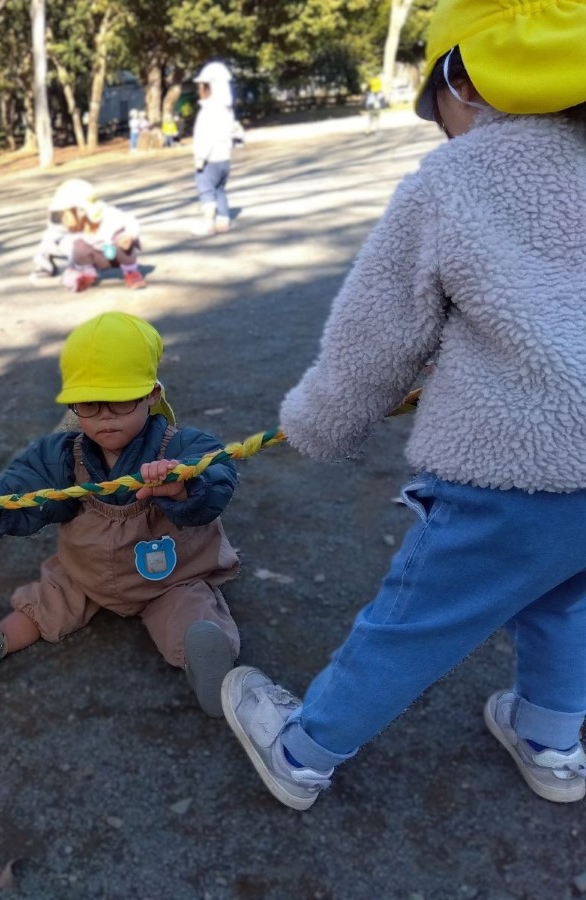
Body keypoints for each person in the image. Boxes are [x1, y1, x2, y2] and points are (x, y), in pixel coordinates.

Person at [221, 0, 586, 810]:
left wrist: (319, 421)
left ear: (464, 79)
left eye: (437, 108)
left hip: (512, 470)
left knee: (417, 620)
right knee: (565, 596)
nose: (440, 129)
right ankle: (552, 740)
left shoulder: (454, 183)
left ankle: (302, 750)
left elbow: (377, 338)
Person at [0, 312, 241, 717]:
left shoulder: (182, 445)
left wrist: (183, 484)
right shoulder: (65, 453)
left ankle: (209, 669)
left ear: (153, 394)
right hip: (87, 573)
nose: (104, 416)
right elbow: (27, 482)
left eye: (119, 401)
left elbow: (219, 471)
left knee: (191, 615)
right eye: (89, 403)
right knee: (46, 601)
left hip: (170, 579)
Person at [37, 178, 146, 292]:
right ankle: (88, 274)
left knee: (120, 238)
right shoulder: (72, 228)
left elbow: (130, 220)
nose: (62, 220)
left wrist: (129, 235)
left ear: (80, 211)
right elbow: (51, 241)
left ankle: (131, 272)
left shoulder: (108, 215)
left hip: (116, 255)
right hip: (97, 259)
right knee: (79, 245)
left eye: (64, 216)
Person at [192, 61, 241, 235]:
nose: (199, 90)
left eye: (202, 86)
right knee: (220, 189)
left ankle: (208, 223)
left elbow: (204, 136)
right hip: (224, 158)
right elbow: (236, 132)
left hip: (209, 159)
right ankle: (224, 219)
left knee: (206, 189)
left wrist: (200, 158)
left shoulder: (207, 111)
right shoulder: (227, 110)